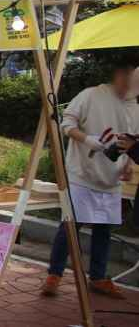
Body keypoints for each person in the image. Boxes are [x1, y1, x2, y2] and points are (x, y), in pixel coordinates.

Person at [41, 61, 138, 299]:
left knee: (104, 230)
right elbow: (65, 124)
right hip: (82, 173)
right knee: (71, 226)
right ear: (120, 75)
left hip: (111, 178)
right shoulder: (92, 95)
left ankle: (98, 277)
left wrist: (128, 164)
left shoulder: (135, 107)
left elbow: (133, 141)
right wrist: (88, 140)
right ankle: (54, 274)